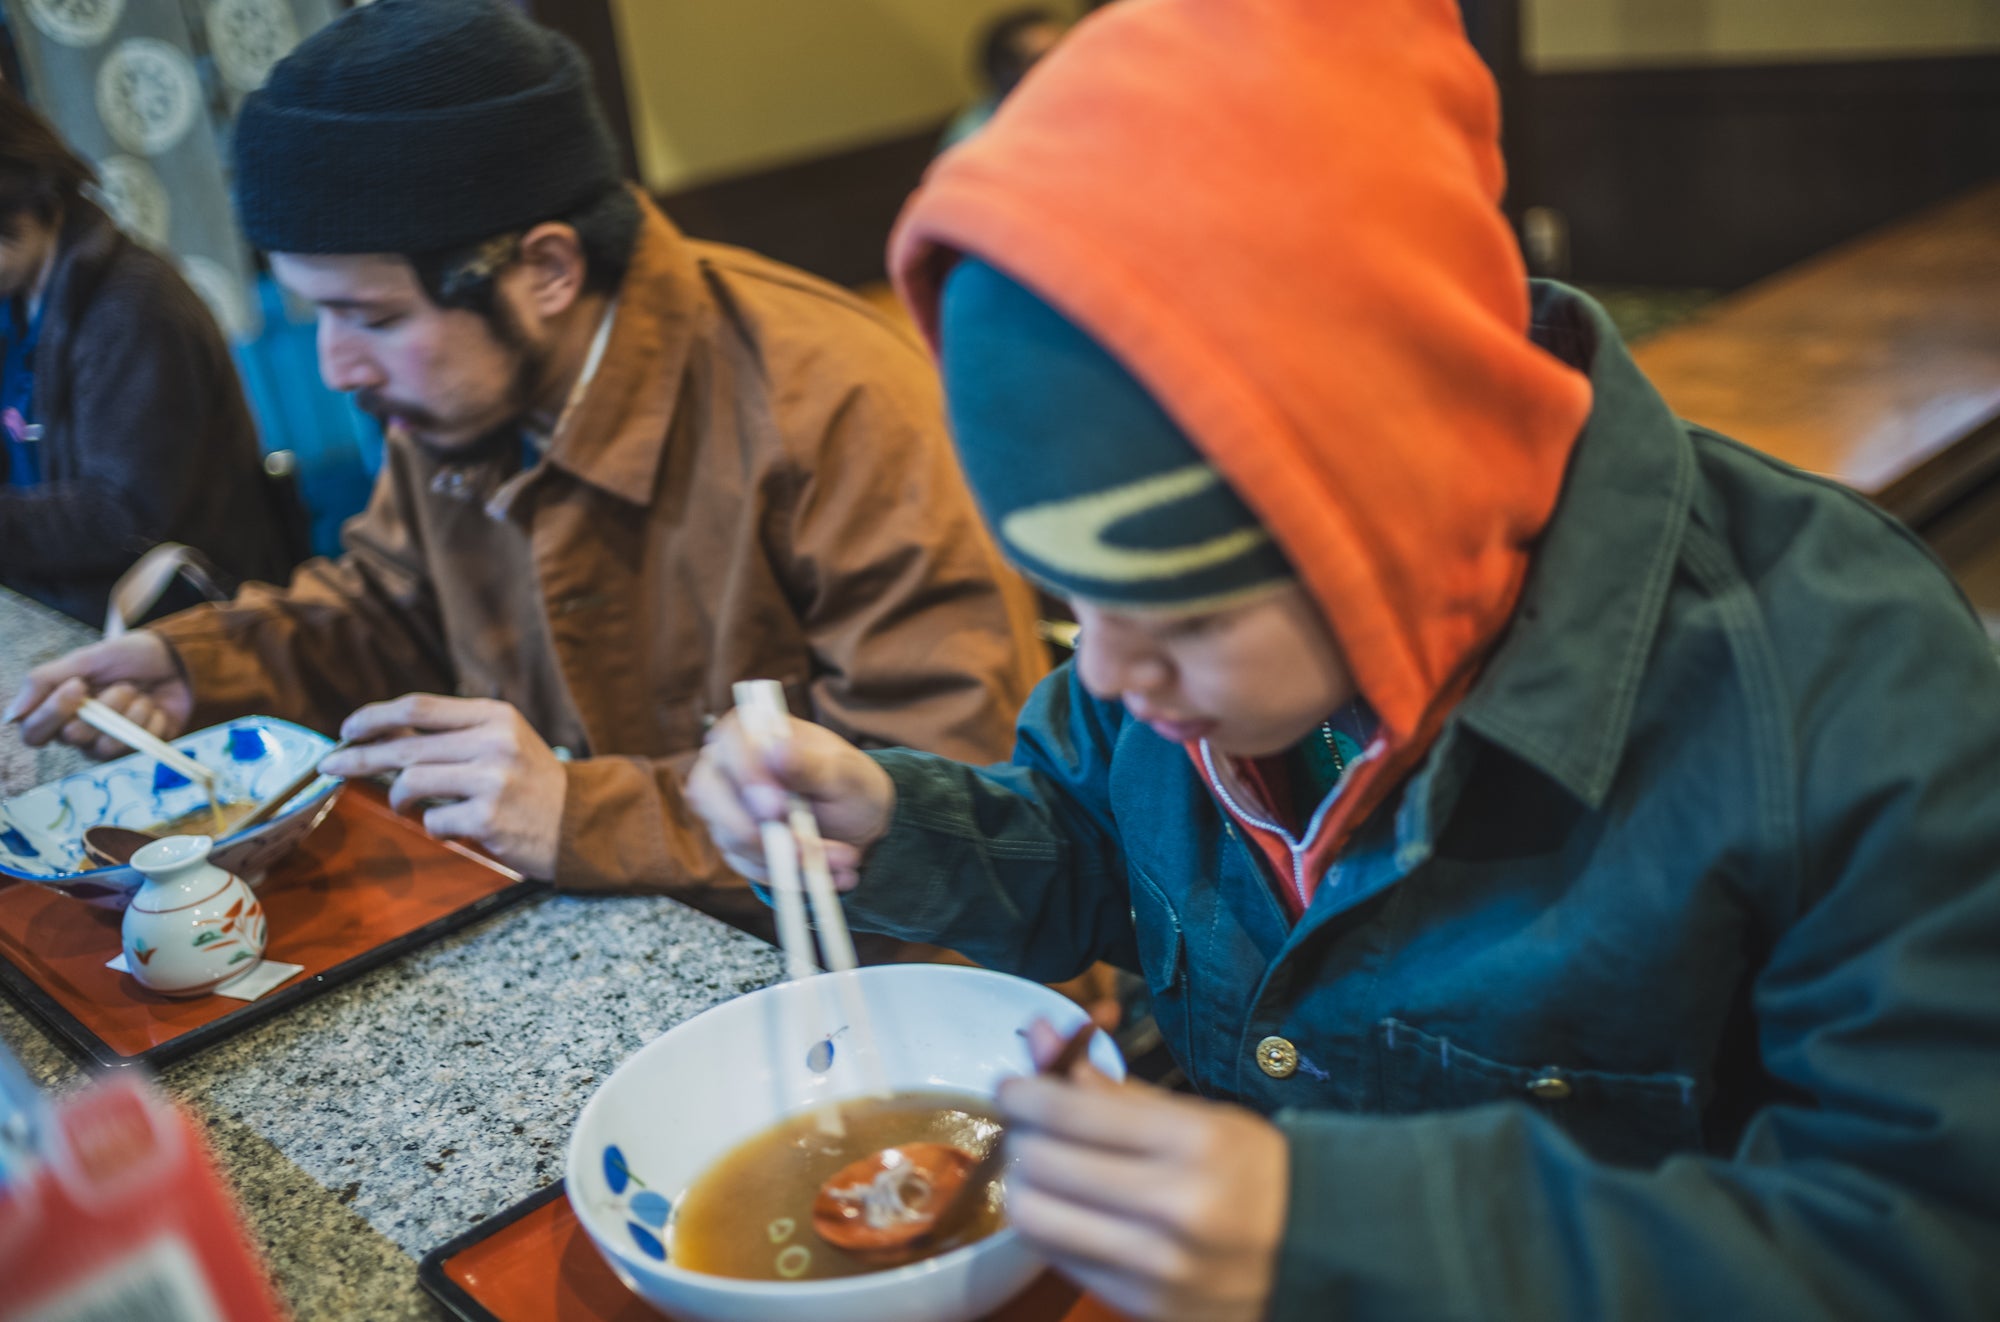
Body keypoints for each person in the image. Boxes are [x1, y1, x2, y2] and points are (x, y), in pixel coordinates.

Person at [686, 1, 2000, 1317]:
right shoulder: (1172, 679)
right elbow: (1096, 846)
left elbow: (1930, 1238)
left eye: (1184, 616)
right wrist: (897, 818)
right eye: (1080, 606)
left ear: (1392, 497)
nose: (1105, 674)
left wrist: (1340, 1224)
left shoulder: (1843, 682)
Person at [5, 0, 1045, 921]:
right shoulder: (457, 399)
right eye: (312, 312)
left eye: (369, 315)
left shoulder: (837, 403)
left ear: (545, 267)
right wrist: (200, 660)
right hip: (611, 926)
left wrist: (578, 810)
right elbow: (391, 605)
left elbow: (949, 802)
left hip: (872, 986)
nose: (335, 364)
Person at [0, 90, 299, 626]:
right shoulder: (22, 304)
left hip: (189, 631)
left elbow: (123, 517)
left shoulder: (135, 311)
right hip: (78, 617)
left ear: (17, 194)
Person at [939, 7, 1069, 151]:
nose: (1065, 63)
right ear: (1006, 74)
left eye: (1067, 50)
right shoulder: (975, 140)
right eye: (1044, 57)